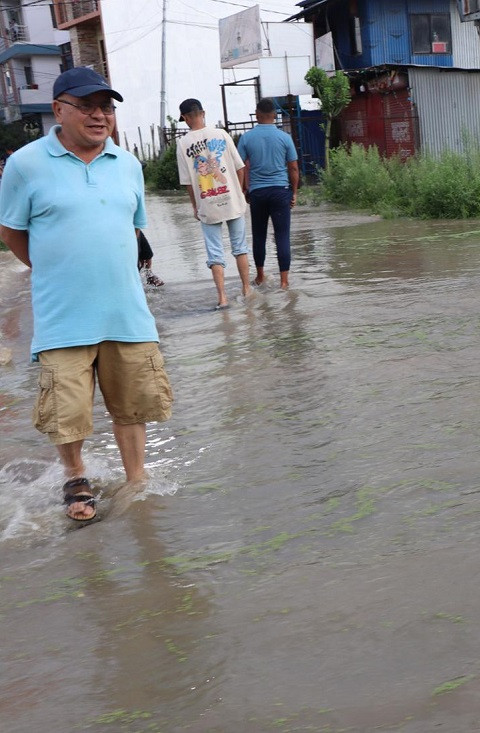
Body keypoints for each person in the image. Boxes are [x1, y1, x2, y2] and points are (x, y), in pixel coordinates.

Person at [0, 67, 173, 521]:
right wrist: (55, 269)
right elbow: (12, 231)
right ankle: (76, 476)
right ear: (59, 110)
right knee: (67, 409)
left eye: (107, 108)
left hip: (126, 311)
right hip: (63, 315)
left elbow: (131, 228)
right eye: (88, 107)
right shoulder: (25, 164)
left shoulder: (128, 164)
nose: (100, 116)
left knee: (132, 405)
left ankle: (136, 483)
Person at [176, 98, 251, 309]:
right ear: (203, 112)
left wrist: (194, 206)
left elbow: (188, 182)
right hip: (232, 200)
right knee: (240, 248)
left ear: (184, 118)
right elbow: (240, 167)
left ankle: (223, 298)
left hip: (207, 203)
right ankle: (246, 289)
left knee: (214, 253)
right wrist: (240, 191)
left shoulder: (183, 144)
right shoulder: (222, 134)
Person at [237, 99, 299, 290]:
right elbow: (294, 168)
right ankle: (284, 282)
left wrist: (244, 190)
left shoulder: (246, 138)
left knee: (259, 236)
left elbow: (239, 167)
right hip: (281, 192)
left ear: (256, 115)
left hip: (257, 193)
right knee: (282, 236)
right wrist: (294, 193)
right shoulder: (285, 137)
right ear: (274, 115)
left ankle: (260, 276)